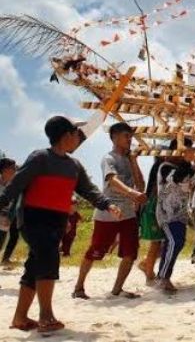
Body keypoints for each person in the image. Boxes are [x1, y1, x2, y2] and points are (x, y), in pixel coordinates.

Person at [0, 116, 121, 334]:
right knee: (48, 258)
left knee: (36, 264)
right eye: (77, 135)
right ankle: (46, 317)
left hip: (57, 220)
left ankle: (20, 318)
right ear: (66, 136)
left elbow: (88, 189)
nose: (78, 140)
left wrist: (107, 204)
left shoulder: (74, 165)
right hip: (33, 218)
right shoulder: (40, 158)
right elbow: (16, 184)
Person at [73, 123, 147, 300]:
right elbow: (112, 180)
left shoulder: (129, 159)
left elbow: (141, 185)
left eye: (130, 136)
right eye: (126, 136)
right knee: (96, 250)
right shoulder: (109, 158)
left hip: (128, 213)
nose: (129, 140)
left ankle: (117, 289)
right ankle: (78, 287)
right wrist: (131, 192)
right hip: (108, 213)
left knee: (130, 252)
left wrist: (134, 162)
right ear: (114, 137)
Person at [156, 141, 195, 294]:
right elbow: (175, 178)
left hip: (180, 214)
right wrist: (188, 161)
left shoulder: (187, 169)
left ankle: (162, 274)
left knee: (175, 243)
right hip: (167, 214)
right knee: (175, 242)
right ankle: (163, 277)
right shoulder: (165, 166)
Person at [137, 156, 165, 285]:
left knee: (162, 243)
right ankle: (149, 273)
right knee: (157, 242)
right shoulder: (161, 168)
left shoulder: (160, 167)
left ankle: (146, 264)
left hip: (155, 206)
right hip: (154, 207)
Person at [0, 157, 19, 265]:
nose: (14, 170)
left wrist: (11, 217)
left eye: (14, 168)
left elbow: (16, 202)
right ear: (4, 169)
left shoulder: (14, 185)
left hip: (6, 218)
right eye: (12, 168)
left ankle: (5, 258)